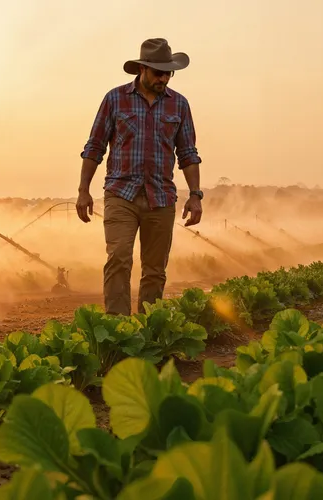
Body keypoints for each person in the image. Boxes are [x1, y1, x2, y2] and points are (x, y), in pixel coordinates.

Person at [75, 38, 204, 316]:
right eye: (159, 72)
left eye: (168, 72)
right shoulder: (115, 99)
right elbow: (94, 146)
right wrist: (83, 190)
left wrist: (195, 195)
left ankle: (148, 333)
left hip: (161, 197)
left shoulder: (179, 105)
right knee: (119, 258)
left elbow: (188, 154)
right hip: (121, 194)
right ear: (142, 69)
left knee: (155, 269)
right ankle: (118, 329)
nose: (164, 78)